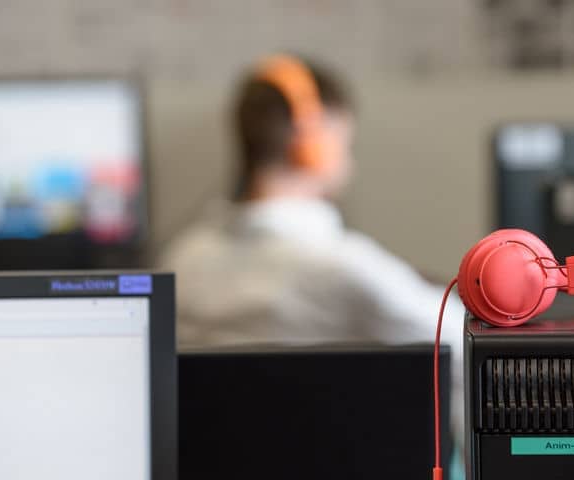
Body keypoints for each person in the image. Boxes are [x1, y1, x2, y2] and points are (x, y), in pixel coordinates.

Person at [158, 54, 465, 449]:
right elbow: (471, 350)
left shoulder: (182, 259)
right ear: (314, 143)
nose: (349, 160)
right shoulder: (345, 268)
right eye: (345, 141)